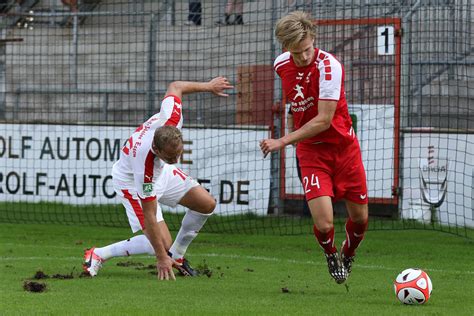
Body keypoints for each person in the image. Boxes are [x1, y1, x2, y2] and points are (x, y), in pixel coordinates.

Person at [83, 77, 233, 281]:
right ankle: (99, 254)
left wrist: (208, 86)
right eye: (171, 157)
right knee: (160, 245)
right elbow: (150, 215)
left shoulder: (172, 118)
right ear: (156, 149)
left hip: (162, 173)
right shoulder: (145, 167)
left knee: (206, 204)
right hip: (130, 182)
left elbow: (176, 86)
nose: (176, 159)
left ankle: (177, 257)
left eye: (178, 154)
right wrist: (162, 257)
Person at [259, 11, 368, 284]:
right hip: (311, 152)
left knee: (361, 219)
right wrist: (292, 130)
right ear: (286, 48)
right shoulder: (280, 64)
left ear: (313, 39)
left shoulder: (329, 67)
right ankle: (331, 254)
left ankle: (349, 251)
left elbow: (323, 119)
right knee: (324, 223)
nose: (304, 57)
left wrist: (281, 141)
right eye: (297, 52)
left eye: (307, 49)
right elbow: (293, 106)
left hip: (344, 150)